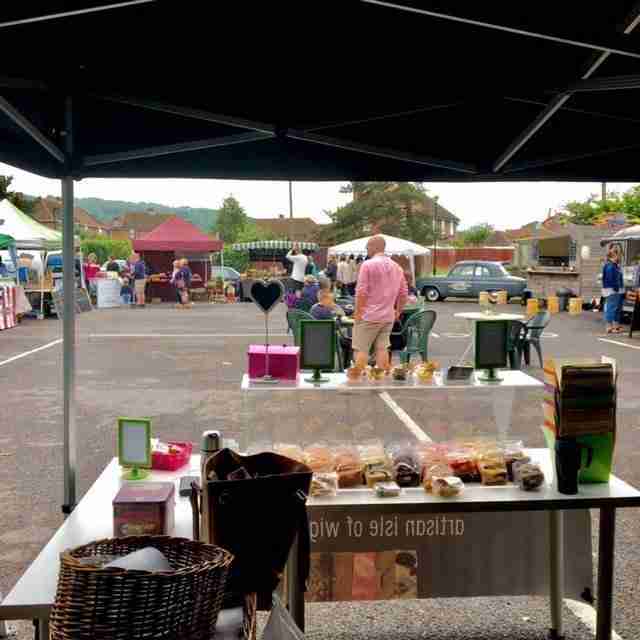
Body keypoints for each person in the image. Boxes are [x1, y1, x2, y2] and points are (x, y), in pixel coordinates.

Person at [353, 235, 408, 371]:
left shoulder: (367, 265)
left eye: (368, 246)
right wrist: (398, 311)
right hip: (387, 316)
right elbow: (403, 293)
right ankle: (383, 380)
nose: (366, 248)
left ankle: (357, 379)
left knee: (361, 349)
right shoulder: (397, 267)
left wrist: (358, 313)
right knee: (382, 349)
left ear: (375, 247)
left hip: (369, 316)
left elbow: (361, 292)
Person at [311, 289, 353, 365]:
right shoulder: (325, 310)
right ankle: (345, 365)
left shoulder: (315, 307)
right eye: (330, 300)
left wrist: (335, 309)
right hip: (327, 337)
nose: (332, 301)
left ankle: (344, 364)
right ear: (324, 299)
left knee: (346, 338)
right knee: (348, 342)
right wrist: (338, 312)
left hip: (317, 335)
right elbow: (336, 325)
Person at [602, 245, 624, 334]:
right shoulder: (610, 266)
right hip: (612, 290)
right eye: (618, 255)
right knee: (612, 308)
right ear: (614, 255)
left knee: (617, 308)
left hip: (615, 289)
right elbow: (611, 279)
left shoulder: (614, 265)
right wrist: (616, 288)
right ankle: (609, 326)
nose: (619, 257)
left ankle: (615, 325)